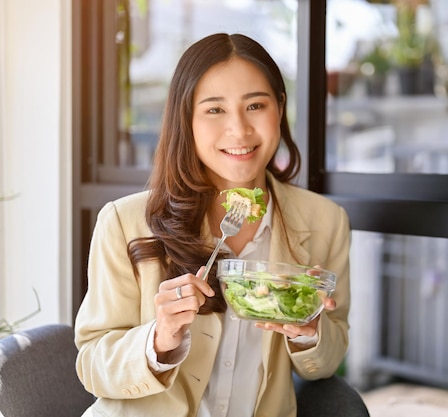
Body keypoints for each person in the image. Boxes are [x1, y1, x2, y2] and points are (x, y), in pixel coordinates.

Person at [74, 33, 352, 417]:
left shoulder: (325, 222)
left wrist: (311, 332)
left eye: (255, 105)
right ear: (185, 120)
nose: (239, 130)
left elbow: (329, 354)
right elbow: (91, 362)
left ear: (280, 108)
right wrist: (159, 339)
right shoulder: (124, 222)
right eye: (215, 110)